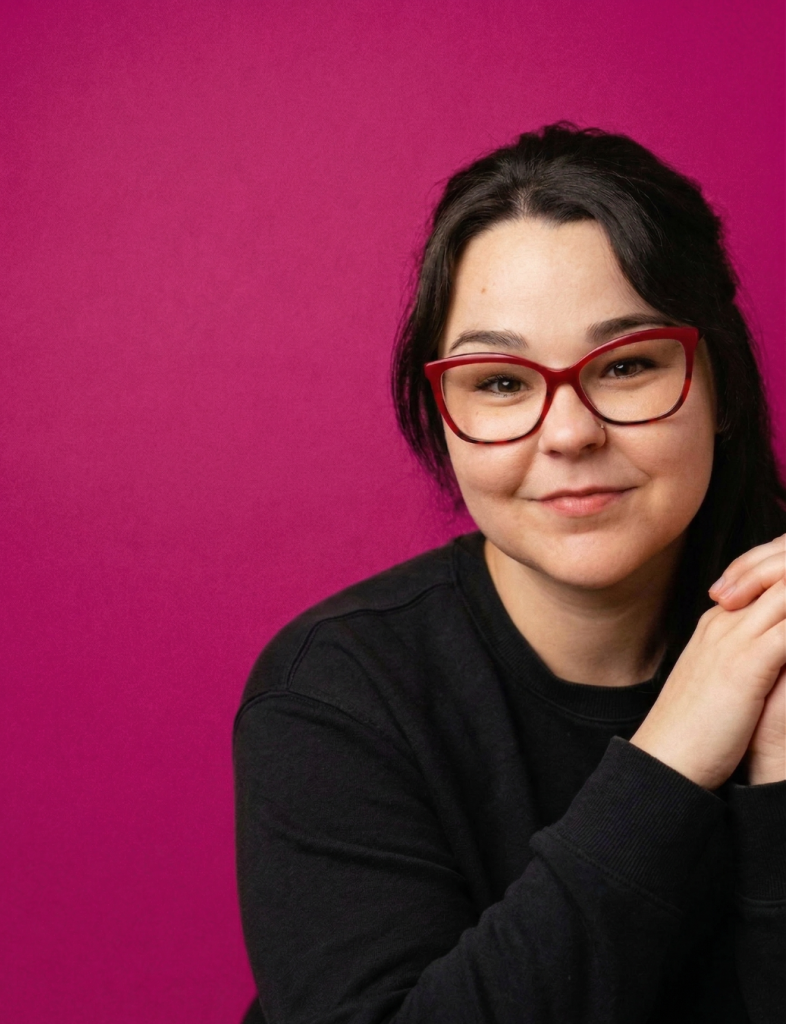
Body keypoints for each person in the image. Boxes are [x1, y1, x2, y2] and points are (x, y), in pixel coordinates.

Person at [233, 124, 786, 1024]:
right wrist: (673, 754)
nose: (568, 433)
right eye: (499, 383)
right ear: (440, 411)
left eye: (627, 365)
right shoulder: (334, 692)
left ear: (716, 383)